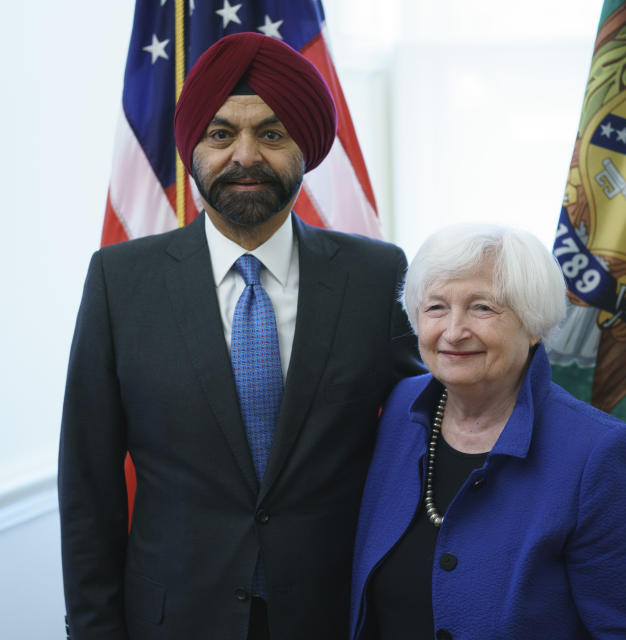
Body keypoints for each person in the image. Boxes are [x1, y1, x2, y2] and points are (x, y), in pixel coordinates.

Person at [58, 33, 421, 640]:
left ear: (305, 147)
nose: (245, 156)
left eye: (272, 135)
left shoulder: (375, 275)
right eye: (221, 134)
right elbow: (87, 483)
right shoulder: (120, 281)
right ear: (192, 147)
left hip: (335, 615)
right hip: (173, 620)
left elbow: (423, 436)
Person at [350, 224, 626, 640]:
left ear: (534, 323)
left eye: (482, 308)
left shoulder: (599, 455)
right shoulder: (399, 409)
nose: (453, 331)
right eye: (435, 308)